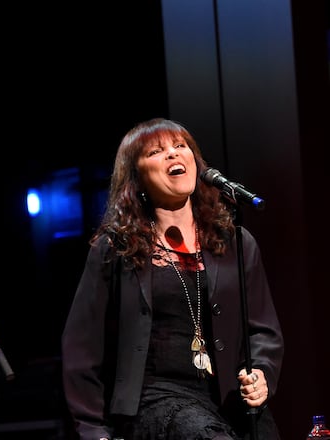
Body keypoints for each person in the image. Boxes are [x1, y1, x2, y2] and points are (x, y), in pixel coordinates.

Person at [61, 118, 284, 440]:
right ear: (136, 177)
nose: (173, 155)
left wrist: (262, 372)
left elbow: (263, 328)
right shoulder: (116, 248)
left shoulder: (234, 240)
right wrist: (92, 428)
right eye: (157, 151)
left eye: (181, 147)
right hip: (156, 398)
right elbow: (83, 346)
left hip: (228, 398)